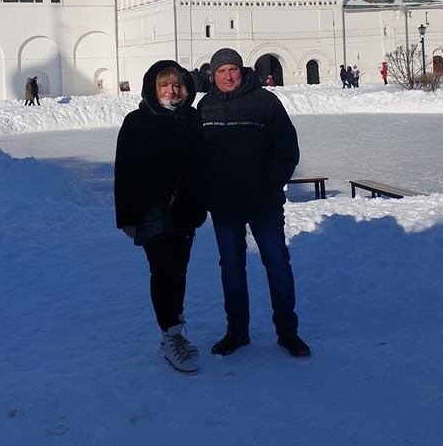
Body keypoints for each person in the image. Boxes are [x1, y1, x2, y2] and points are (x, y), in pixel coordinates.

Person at [198, 48, 310, 359]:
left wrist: (271, 184)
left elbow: (287, 147)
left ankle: (288, 332)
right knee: (232, 269)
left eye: (232, 69)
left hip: (263, 203)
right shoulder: (205, 105)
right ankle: (237, 332)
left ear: (242, 70)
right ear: (213, 75)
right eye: (221, 72)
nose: (228, 76)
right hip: (224, 205)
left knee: (277, 264)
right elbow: (197, 156)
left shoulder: (266, 102)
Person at [115, 60, 207, 374]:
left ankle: (175, 328)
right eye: (164, 85)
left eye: (176, 85)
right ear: (153, 89)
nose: (171, 91)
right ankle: (170, 334)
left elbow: (202, 166)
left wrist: (203, 204)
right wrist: (127, 218)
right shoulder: (137, 121)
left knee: (179, 270)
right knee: (163, 272)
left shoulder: (192, 118)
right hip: (151, 214)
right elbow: (124, 172)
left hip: (186, 213)